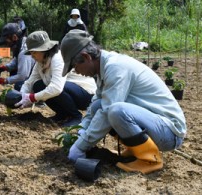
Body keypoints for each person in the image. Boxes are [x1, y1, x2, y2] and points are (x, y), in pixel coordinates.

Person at [60, 29, 187, 174]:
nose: (76, 72)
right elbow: (96, 105)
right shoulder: (102, 68)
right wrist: (82, 129)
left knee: (115, 111)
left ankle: (150, 159)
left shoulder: (115, 67)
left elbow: (107, 110)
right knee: (97, 106)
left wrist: (81, 146)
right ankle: (136, 149)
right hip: (155, 124)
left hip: (170, 132)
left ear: (86, 57)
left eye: (74, 66)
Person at [15, 31, 96, 127]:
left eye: (34, 52)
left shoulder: (58, 59)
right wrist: (21, 96)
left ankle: (76, 117)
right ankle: (62, 114)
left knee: (57, 87)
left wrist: (32, 97)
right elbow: (30, 82)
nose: (32, 56)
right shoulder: (40, 63)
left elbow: (57, 88)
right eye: (31, 53)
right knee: (38, 85)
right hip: (67, 91)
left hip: (85, 94)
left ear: (44, 50)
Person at [0, 23, 35, 91]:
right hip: (33, 72)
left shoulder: (24, 51)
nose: (6, 42)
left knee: (19, 86)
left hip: (38, 76)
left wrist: (5, 81)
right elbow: (16, 61)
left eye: (6, 39)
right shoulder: (21, 43)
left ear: (14, 37)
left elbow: (22, 76)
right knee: (13, 73)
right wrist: (5, 67)